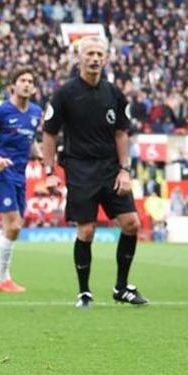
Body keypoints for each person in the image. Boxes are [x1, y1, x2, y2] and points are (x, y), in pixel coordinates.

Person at [40, 36, 147, 308]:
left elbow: (121, 133)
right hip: (80, 168)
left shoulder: (114, 93)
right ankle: (84, 292)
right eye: (90, 53)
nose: (95, 58)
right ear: (79, 58)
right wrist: (49, 171)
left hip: (111, 168)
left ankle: (121, 288)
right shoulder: (64, 94)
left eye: (99, 53)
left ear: (106, 58)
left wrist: (125, 170)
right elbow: (49, 134)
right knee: (86, 231)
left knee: (132, 223)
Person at [0, 67, 44, 292]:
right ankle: (3, 280)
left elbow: (30, 140)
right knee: (14, 225)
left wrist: (38, 153)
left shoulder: (35, 112)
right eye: (22, 80)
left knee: (12, 229)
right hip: (2, 175)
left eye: (30, 81)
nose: (27, 84)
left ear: (34, 87)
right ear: (13, 85)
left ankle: (3, 279)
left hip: (21, 176)